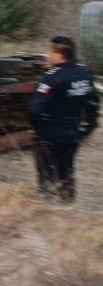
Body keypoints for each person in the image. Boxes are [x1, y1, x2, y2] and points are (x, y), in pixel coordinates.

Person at [29, 36, 100, 203]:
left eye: (49, 51)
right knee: (67, 170)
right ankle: (68, 205)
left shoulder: (53, 78)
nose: (47, 55)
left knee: (47, 174)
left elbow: (34, 109)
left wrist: (38, 131)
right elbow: (92, 102)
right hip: (72, 133)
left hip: (49, 134)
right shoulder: (83, 75)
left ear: (59, 54)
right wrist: (89, 126)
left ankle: (47, 206)